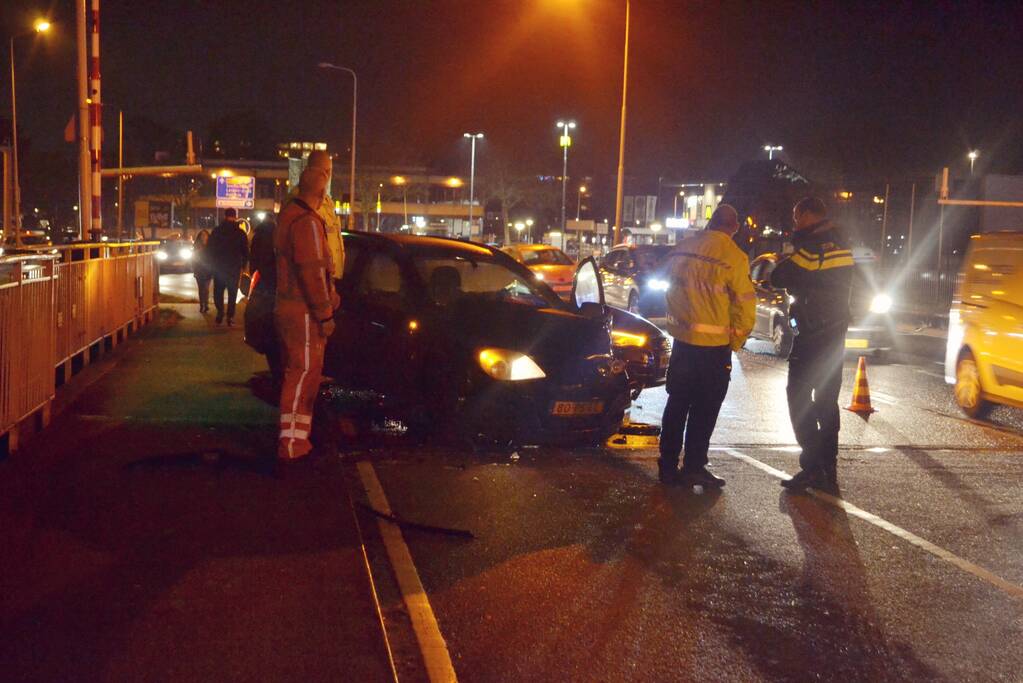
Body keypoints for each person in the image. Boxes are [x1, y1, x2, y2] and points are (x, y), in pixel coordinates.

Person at [659, 204, 756, 488]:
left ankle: (666, 466)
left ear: (711, 222)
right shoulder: (734, 257)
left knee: (676, 404)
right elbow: (745, 307)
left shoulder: (684, 248)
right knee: (705, 409)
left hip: (682, 343)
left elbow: (665, 282)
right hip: (713, 348)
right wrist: (735, 341)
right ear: (734, 227)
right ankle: (694, 467)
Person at [771, 197, 854, 492]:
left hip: (812, 336)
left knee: (799, 397)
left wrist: (789, 264)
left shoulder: (813, 249)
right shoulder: (843, 246)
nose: (795, 223)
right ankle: (827, 467)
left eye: (797, 217)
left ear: (808, 215)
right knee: (827, 402)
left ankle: (812, 465)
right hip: (834, 336)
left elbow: (778, 276)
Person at [274, 167, 340, 462]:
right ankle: (291, 445)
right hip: (304, 312)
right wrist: (325, 314)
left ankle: (298, 441)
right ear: (323, 189)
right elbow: (313, 273)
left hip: (294, 307)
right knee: (302, 375)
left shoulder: (289, 216)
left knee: (303, 374)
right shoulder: (307, 223)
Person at [289, 150, 345, 285]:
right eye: (324, 171)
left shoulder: (326, 201)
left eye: (328, 171)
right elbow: (310, 254)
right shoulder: (303, 201)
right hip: (318, 283)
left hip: (329, 281)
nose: (326, 176)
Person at [206, 207, 249, 325]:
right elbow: (245, 251)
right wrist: (243, 266)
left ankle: (220, 312)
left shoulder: (217, 231)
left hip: (219, 267)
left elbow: (209, 250)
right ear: (235, 217)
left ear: (225, 216)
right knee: (232, 293)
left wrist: (210, 264)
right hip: (233, 268)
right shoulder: (240, 233)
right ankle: (230, 317)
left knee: (218, 292)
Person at [192, 229, 212, 313]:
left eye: (205, 235)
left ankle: (206, 305)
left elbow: (212, 258)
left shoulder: (211, 246)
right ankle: (202, 305)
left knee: (206, 288)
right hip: (199, 270)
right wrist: (194, 269)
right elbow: (194, 259)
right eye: (202, 235)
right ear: (199, 237)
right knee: (201, 288)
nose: (204, 237)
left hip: (207, 270)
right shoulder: (196, 246)